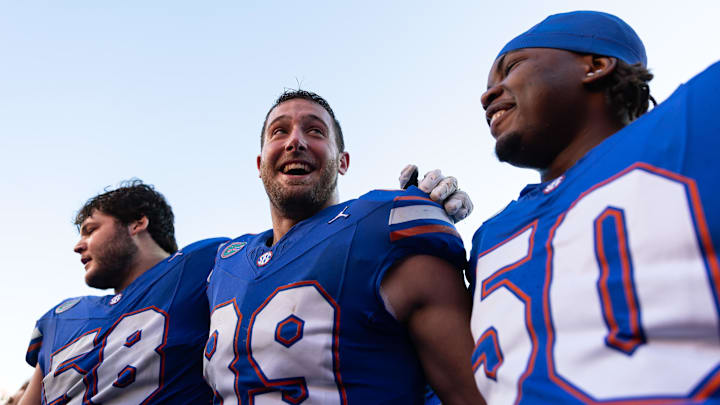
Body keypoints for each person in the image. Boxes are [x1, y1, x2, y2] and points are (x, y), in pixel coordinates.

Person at [469, 10, 720, 403]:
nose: (488, 94)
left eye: (511, 68)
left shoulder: (696, 117)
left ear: (596, 65)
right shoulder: (488, 236)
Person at [203, 90, 484, 404]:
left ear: (343, 161)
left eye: (315, 131)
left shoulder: (385, 225)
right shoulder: (223, 264)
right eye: (279, 131)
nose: (295, 142)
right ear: (259, 163)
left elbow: (475, 394)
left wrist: (420, 210)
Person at [21, 181, 229, 404]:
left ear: (137, 223)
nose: (78, 246)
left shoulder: (205, 262)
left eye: (90, 230)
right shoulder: (59, 317)